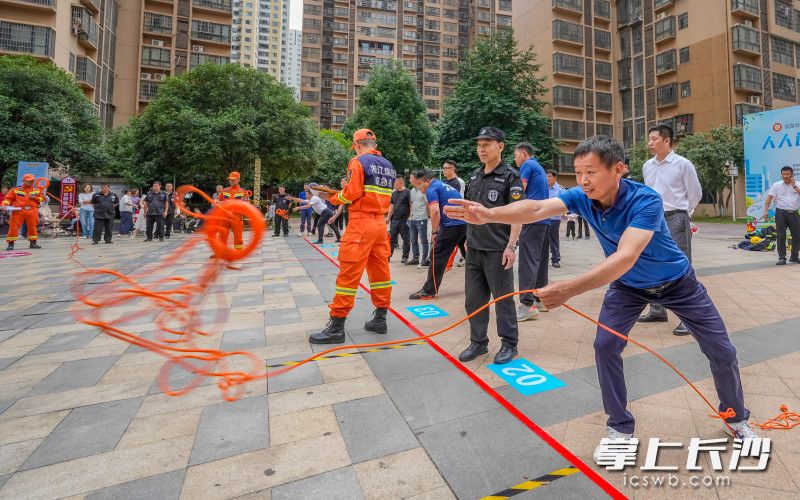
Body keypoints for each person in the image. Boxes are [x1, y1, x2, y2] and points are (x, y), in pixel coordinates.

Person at [444, 135, 759, 450]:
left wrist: (570, 288)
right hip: (628, 288)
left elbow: (626, 256)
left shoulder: (645, 200)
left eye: (591, 172)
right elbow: (538, 207)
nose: (583, 180)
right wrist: (489, 214)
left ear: (618, 169)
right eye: (579, 172)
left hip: (679, 283)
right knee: (605, 346)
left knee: (722, 351)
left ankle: (736, 418)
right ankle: (620, 426)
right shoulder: (581, 196)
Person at [309, 129, 395, 343]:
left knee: (348, 274)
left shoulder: (357, 162)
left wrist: (335, 197)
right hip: (379, 225)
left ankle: (337, 326)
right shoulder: (388, 166)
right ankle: (380, 318)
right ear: (373, 143)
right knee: (380, 272)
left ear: (357, 145)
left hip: (361, 223)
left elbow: (352, 192)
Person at [459, 127, 524, 365]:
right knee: (473, 299)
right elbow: (471, 211)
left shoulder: (510, 177)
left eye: (487, 144)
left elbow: (518, 214)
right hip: (474, 248)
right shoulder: (475, 176)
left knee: (503, 299)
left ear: (501, 146)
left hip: (498, 249)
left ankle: (509, 344)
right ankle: (478, 342)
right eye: (479, 145)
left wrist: (511, 246)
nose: (481, 149)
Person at [639, 124, 702, 336]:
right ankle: (658, 309)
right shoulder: (647, 166)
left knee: (682, 267)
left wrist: (684, 213)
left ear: (667, 141)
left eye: (654, 139)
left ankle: (689, 317)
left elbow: (695, 194)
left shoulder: (683, 164)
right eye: (649, 139)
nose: (650, 143)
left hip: (676, 217)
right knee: (654, 264)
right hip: (653, 220)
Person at [408, 170, 467, 300]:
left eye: (419, 185)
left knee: (437, 255)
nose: (419, 188)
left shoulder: (432, 188)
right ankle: (483, 284)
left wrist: (434, 232)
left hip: (452, 225)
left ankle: (429, 290)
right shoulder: (443, 185)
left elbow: (434, 212)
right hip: (463, 223)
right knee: (471, 255)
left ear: (427, 181)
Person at [515, 142, 549, 322]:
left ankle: (527, 305)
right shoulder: (539, 167)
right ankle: (540, 299)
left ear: (524, 154)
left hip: (532, 219)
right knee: (540, 261)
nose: (515, 159)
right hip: (544, 220)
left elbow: (520, 190)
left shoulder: (528, 165)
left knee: (527, 262)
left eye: (515, 155)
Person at [762, 166, 800, 265]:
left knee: (797, 236)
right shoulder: (776, 185)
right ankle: (782, 257)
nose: (785, 176)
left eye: (787, 174)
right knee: (781, 235)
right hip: (781, 213)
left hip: (794, 213)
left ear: (792, 174)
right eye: (783, 174)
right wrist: (766, 211)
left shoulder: (798, 184)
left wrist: (794, 186)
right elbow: (769, 198)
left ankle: (794, 257)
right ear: (781, 175)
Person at [2, 174, 45, 250]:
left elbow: (42, 199)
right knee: (13, 227)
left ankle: (33, 243)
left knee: (32, 227)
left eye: (32, 180)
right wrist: (4, 204)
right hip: (18, 210)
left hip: (32, 210)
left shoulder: (37, 190)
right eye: (29, 181)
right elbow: (8, 199)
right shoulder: (15, 189)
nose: (31, 182)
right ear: (24, 181)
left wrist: (35, 198)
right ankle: (11, 244)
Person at [442, 159, 467, 266]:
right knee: (457, 241)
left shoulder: (459, 182)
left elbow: (459, 199)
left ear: (452, 169)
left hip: (458, 216)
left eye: (445, 168)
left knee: (462, 241)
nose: (443, 170)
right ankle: (448, 261)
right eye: (443, 168)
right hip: (446, 215)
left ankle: (466, 258)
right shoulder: (444, 182)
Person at [219, 171, 250, 249]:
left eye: (233, 179)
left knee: (238, 235)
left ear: (238, 179)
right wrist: (217, 202)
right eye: (230, 179)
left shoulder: (243, 192)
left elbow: (247, 205)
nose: (231, 181)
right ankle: (221, 251)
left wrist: (244, 202)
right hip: (225, 216)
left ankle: (238, 252)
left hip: (237, 216)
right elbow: (218, 201)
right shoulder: (224, 191)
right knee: (222, 234)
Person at [406, 171, 430, 267]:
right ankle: (415, 258)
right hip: (413, 218)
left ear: (416, 179)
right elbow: (411, 204)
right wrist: (410, 216)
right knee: (413, 240)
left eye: (411, 178)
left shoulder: (424, 190)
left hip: (422, 218)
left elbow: (428, 204)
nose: (410, 180)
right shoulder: (412, 191)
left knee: (423, 240)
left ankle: (424, 259)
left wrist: (428, 216)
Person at [387, 177, 411, 263]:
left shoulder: (407, 192)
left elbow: (410, 204)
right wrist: (388, 217)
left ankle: (405, 257)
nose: (393, 184)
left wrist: (410, 216)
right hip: (395, 220)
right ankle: (388, 255)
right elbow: (391, 206)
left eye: (395, 182)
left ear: (401, 182)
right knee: (391, 238)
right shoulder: (394, 193)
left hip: (404, 219)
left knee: (406, 239)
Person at [547, 170, 566, 268]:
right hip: (543, 219)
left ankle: (555, 259)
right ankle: (542, 259)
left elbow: (566, 203)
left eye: (549, 176)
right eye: (547, 176)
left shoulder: (560, 189)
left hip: (554, 219)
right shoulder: (543, 188)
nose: (547, 178)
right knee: (543, 240)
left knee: (554, 239)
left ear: (555, 177)